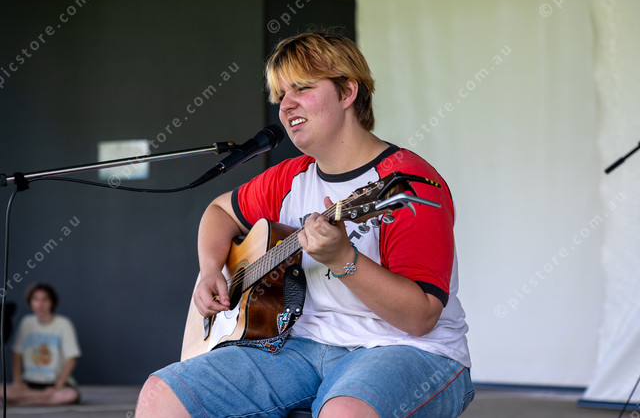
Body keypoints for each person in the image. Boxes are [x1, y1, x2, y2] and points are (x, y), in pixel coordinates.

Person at [137, 30, 474, 417]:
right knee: (161, 393)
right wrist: (211, 269)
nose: (286, 106)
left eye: (302, 88)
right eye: (281, 95)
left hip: (407, 350)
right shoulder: (290, 177)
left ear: (347, 92)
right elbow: (219, 211)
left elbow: (420, 318)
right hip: (299, 347)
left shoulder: (408, 182)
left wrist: (343, 259)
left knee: (343, 413)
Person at [3, 283, 81, 405]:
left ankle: (27, 401)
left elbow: (72, 358)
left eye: (45, 300)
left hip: (54, 383)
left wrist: (58, 386)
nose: (40, 304)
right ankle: (42, 399)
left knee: (70, 395)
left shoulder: (63, 324)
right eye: (36, 299)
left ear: (52, 302)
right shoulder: (26, 322)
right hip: (29, 383)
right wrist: (18, 382)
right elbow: (17, 354)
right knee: (2, 391)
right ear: (30, 302)